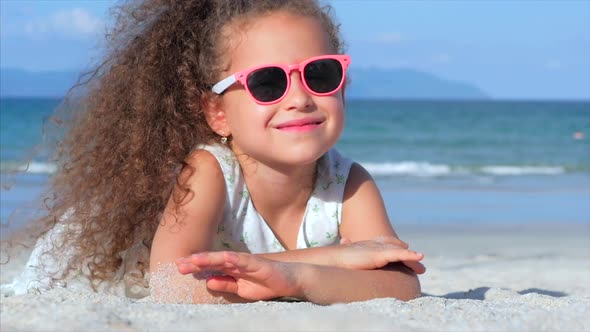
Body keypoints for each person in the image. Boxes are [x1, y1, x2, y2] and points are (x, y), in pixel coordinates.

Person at [1, 0, 425, 304]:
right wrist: (329, 260)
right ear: (217, 112)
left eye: (319, 74)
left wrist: (298, 279)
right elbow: (170, 285)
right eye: (267, 83)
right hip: (88, 276)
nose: (299, 98)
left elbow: (402, 285)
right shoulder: (208, 170)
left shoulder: (349, 183)